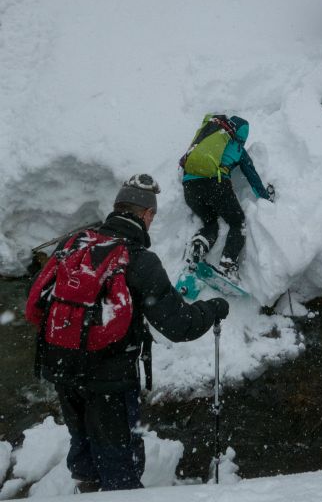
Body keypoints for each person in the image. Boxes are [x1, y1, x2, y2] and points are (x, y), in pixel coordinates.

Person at [26, 174, 229, 493]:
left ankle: (87, 488)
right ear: (146, 215)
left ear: (117, 209)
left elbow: (37, 300)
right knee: (119, 460)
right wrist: (213, 309)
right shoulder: (139, 261)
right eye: (152, 216)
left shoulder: (75, 243)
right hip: (110, 377)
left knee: (83, 444)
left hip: (62, 367)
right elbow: (180, 325)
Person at [182, 115, 274, 280]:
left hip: (189, 186)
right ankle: (227, 265)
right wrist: (266, 197)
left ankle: (199, 247)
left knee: (210, 223)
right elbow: (252, 177)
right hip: (216, 185)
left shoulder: (210, 136)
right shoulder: (238, 148)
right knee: (237, 223)